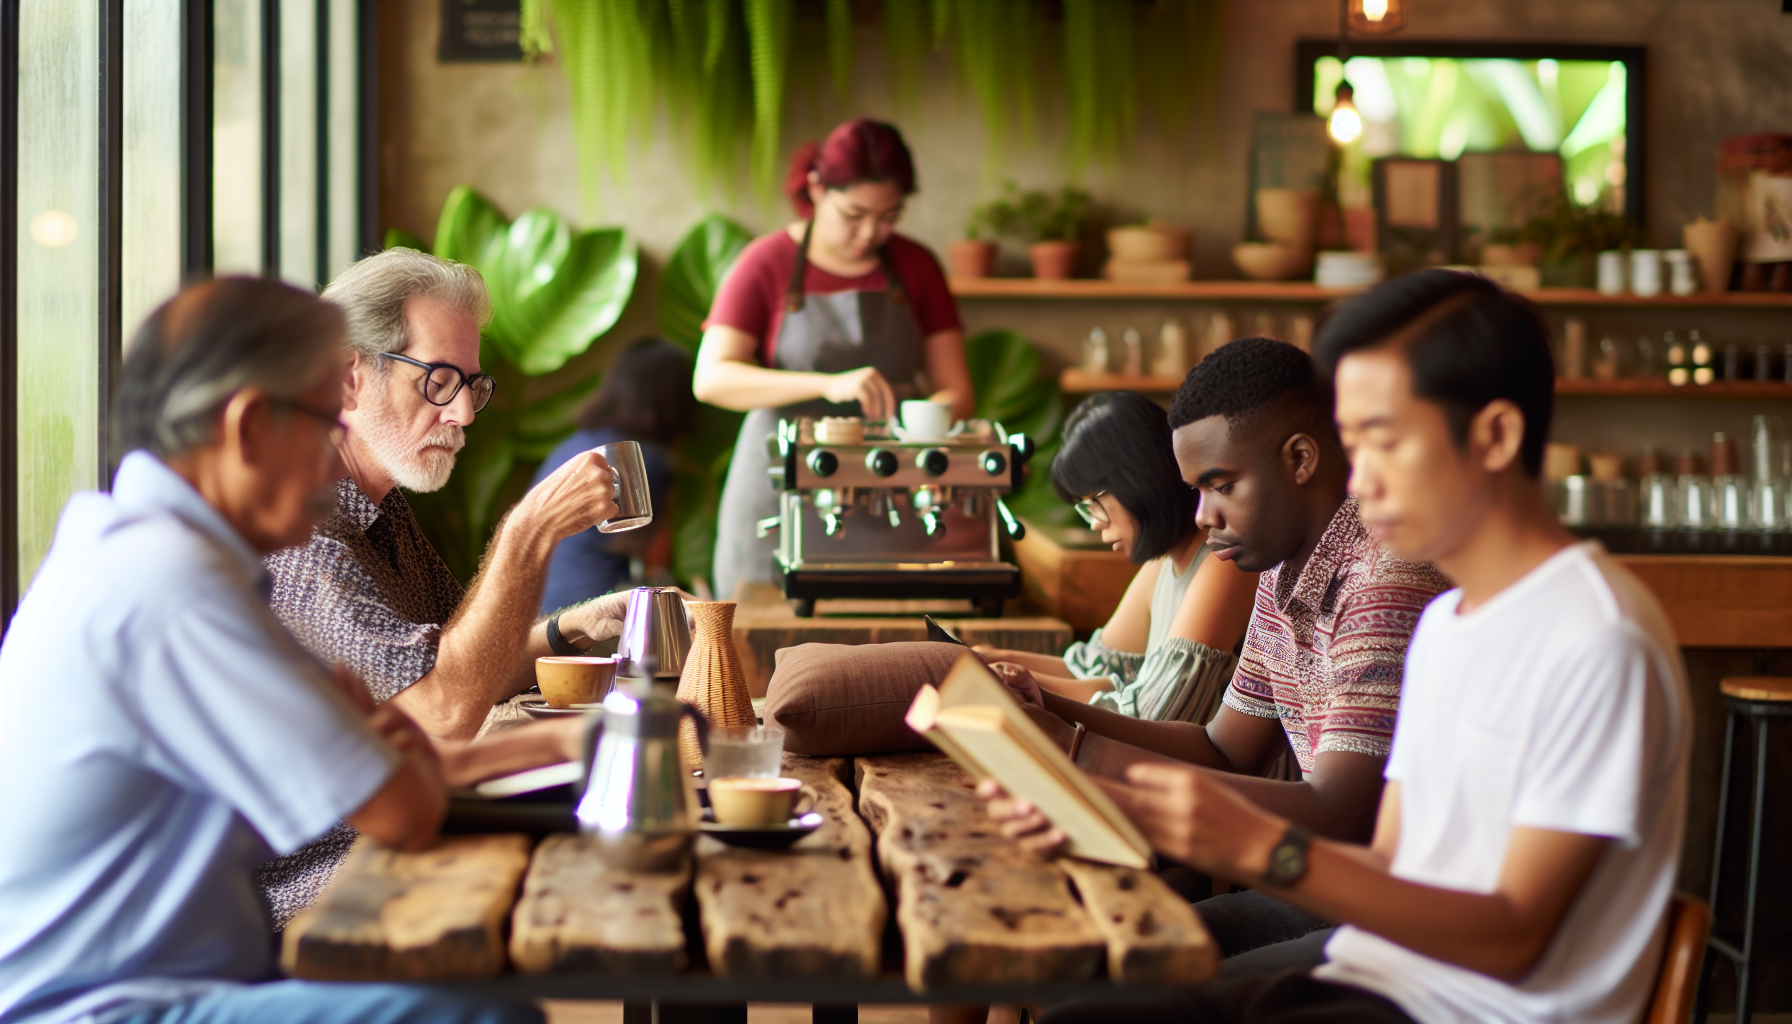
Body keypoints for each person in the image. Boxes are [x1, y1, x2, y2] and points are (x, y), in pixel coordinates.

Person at [995, 270, 1691, 1024]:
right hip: (1390, 964)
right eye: (1351, 442)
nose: (1357, 479)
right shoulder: (1452, 626)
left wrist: (1253, 845)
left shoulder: (1595, 638)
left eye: (1382, 440)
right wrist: (1134, 804)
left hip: (1475, 1007)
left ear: (1494, 436)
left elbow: (1516, 938)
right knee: (1081, 994)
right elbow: (1392, 863)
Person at [0, 278, 541, 1024]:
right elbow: (404, 807)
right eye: (323, 420)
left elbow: (398, 751)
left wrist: (390, 747)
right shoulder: (175, 588)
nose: (333, 458)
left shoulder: (129, 549)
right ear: (251, 427)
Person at [986, 338, 1449, 969]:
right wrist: (1056, 714)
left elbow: (1338, 812)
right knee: (1091, 959)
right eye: (1196, 491)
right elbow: (1223, 746)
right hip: (1322, 886)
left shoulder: (1383, 581)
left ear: (1301, 459)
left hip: (1396, 906)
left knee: (1125, 986)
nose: (1203, 516)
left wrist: (1085, 759)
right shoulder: (1279, 574)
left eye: (1221, 484)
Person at [259, 247, 628, 925]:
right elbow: (443, 717)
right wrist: (530, 531)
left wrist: (570, 626)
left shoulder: (380, 506)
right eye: (437, 381)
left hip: (397, 837)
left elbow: (454, 664)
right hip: (317, 894)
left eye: (473, 385)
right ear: (347, 378)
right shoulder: (302, 529)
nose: (464, 413)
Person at [695, 117, 974, 600]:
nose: (871, 232)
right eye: (854, 213)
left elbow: (958, 390)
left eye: (889, 216)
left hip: (893, 490)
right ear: (818, 188)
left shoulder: (917, 266)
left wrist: (921, 424)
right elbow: (712, 378)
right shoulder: (766, 262)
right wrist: (826, 385)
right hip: (778, 495)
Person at [974, 392, 1259, 720]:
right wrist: (995, 659)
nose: (1094, 521)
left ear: (1136, 480)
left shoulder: (1222, 563)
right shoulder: (1163, 565)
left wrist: (1018, 681)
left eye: (1094, 502)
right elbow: (1093, 669)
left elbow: (1154, 715)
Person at [533, 337, 694, 613]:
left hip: (540, 611)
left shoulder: (575, 444)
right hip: (587, 616)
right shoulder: (643, 461)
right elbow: (657, 564)